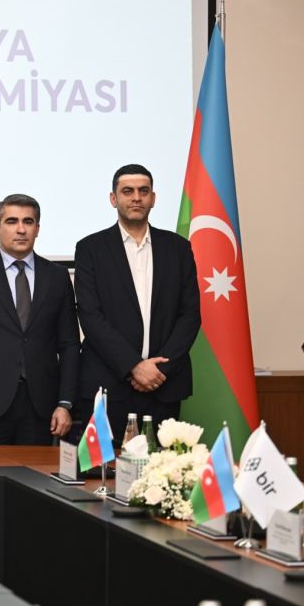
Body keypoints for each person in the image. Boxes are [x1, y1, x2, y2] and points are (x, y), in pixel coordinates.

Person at [74, 164, 200, 439]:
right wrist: (134, 366)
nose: (136, 198)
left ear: (153, 199)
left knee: (164, 465)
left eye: (143, 191)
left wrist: (158, 370)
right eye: (127, 191)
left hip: (163, 384)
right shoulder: (90, 249)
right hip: (109, 385)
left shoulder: (178, 248)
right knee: (106, 465)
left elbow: (190, 315)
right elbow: (91, 316)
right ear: (113, 199)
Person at [0, 194, 80, 444]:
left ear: (37, 229)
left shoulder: (57, 276)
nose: (21, 229)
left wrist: (65, 403)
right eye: (12, 221)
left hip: (42, 406)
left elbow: (69, 345)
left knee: (37, 470)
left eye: (28, 222)